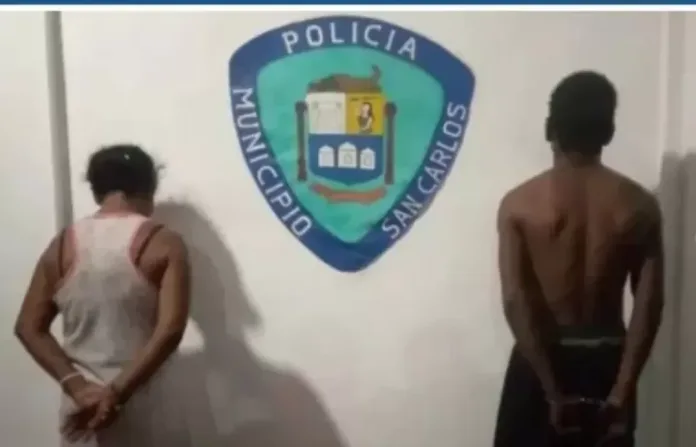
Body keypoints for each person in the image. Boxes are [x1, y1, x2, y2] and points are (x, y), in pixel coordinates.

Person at [493, 71, 664, 446]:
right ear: (609, 132)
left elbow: (514, 299)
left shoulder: (519, 205)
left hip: (539, 359)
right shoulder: (639, 206)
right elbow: (649, 304)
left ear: (549, 128)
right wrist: (622, 392)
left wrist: (551, 392)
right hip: (607, 362)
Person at [14, 144, 191, 446]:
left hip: (82, 411)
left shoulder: (61, 245)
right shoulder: (163, 242)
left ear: (96, 191)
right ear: (148, 187)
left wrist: (77, 386)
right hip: (144, 405)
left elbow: (28, 327)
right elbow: (170, 330)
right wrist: (116, 393)